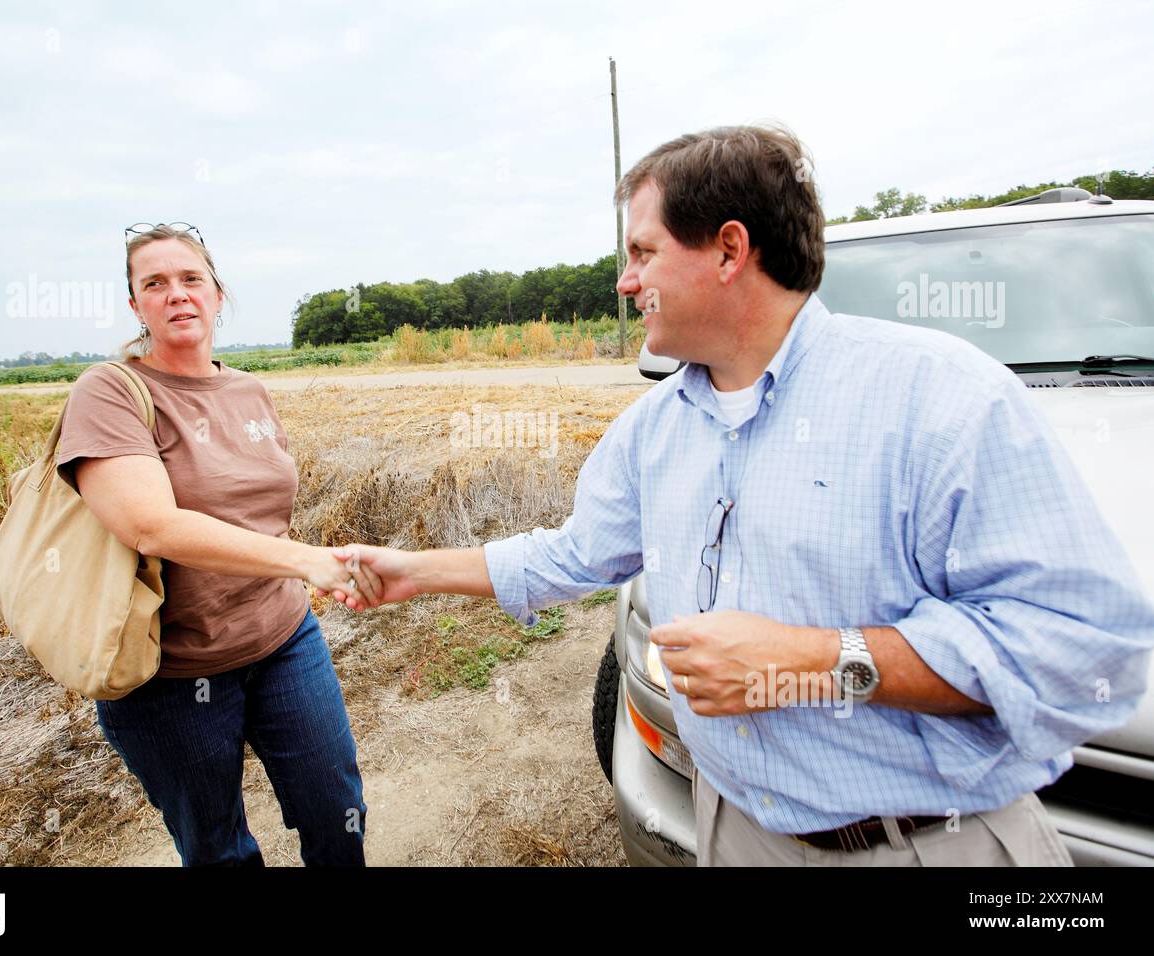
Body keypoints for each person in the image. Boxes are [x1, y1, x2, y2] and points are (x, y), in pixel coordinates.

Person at [330, 126, 1154, 866]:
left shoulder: (940, 398)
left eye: (643, 253)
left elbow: (1078, 647)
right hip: (730, 830)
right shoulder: (655, 428)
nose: (624, 281)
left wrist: (814, 661)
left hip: (929, 844)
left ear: (729, 251)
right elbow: (574, 553)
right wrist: (413, 571)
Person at [54, 222, 379, 866]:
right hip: (171, 674)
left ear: (217, 294)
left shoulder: (248, 390)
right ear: (135, 305)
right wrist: (309, 562)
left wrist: (298, 572)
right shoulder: (112, 391)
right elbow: (151, 524)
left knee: (337, 814)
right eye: (155, 283)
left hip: (285, 639)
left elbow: (265, 508)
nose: (176, 295)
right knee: (219, 850)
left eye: (190, 278)